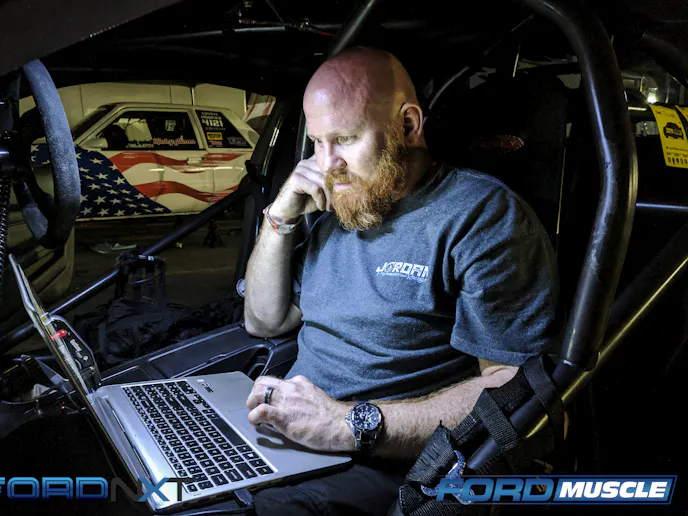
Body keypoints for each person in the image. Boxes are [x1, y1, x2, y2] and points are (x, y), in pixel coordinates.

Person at [242, 47, 561, 515]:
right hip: (289, 436)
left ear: (409, 125)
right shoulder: (342, 207)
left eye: (345, 139)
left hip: (387, 463)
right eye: (316, 142)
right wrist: (280, 217)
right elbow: (264, 322)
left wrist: (345, 425)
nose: (327, 163)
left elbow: (516, 391)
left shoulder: (480, 216)